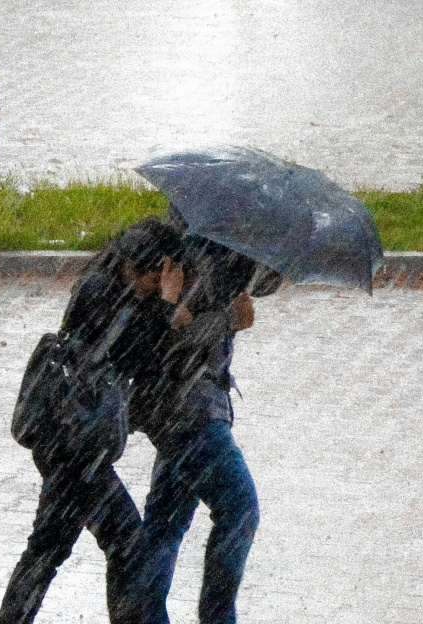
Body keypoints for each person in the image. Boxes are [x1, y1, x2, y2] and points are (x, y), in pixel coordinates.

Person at [0, 216, 189, 624]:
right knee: (123, 542)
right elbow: (142, 357)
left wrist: (164, 309)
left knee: (50, 548)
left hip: (68, 441)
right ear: (139, 266)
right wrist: (167, 308)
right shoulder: (102, 293)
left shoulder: (113, 288)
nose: (157, 285)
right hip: (73, 446)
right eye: (157, 277)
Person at [129, 218, 281, 624]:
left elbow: (261, 282)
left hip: (185, 407)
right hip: (188, 410)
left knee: (166, 520)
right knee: (239, 507)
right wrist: (229, 319)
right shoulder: (195, 248)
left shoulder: (225, 237)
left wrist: (277, 247)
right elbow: (168, 339)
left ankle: (144, 615)